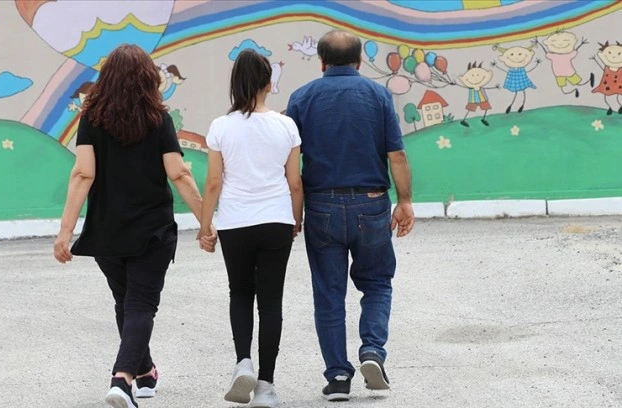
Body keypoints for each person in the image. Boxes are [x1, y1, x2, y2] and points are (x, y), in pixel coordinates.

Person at [53, 44, 216, 408]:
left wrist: (65, 231)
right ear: (148, 78)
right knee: (139, 305)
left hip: (106, 231)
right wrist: (206, 222)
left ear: (107, 78)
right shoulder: (158, 119)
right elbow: (179, 173)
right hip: (151, 231)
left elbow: (82, 174)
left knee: (126, 302)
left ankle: (145, 373)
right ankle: (122, 379)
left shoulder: (91, 119)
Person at [286, 30, 415, 401]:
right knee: (377, 283)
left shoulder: (302, 97)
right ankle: (372, 350)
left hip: (322, 204)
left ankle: (338, 377)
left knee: (328, 293)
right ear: (359, 61)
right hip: (371, 202)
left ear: (321, 62)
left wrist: (294, 213)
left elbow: (290, 162)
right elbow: (396, 155)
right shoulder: (378, 95)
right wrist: (405, 200)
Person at [198, 49, 303, 408]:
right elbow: (295, 182)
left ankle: (243, 362)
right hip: (276, 219)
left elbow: (213, 182)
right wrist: (296, 218)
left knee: (240, 292)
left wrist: (205, 226)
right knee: (271, 301)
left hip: (235, 223)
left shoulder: (220, 127)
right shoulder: (286, 126)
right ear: (269, 84)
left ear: (234, 84)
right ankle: (266, 387)